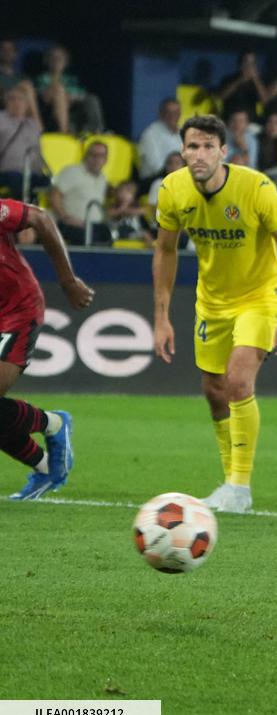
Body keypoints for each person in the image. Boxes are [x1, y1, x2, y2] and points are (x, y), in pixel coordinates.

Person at [152, 115, 277, 514]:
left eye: (207, 146)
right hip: (212, 302)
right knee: (214, 392)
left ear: (224, 151)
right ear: (181, 150)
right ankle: (231, 485)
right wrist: (161, 316)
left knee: (238, 379)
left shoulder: (256, 188)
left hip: (260, 296)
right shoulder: (172, 190)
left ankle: (239, 486)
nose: (198, 154)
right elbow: (165, 251)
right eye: (191, 146)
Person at [1, 197, 93, 500]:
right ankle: (45, 469)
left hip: (15, 310)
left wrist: (67, 281)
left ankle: (53, 423)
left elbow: (40, 218)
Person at [49, 141, 110, 246]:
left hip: (96, 225)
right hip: (73, 224)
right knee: (86, 239)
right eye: (93, 154)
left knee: (108, 236)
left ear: (105, 160)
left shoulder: (102, 179)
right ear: (86, 155)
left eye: (101, 156)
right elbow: (54, 195)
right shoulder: (73, 172)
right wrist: (65, 217)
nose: (97, 159)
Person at [34, 45, 104, 134]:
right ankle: (64, 132)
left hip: (72, 108)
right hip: (51, 111)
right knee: (58, 90)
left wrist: (70, 97)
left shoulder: (71, 79)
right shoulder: (41, 78)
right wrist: (61, 96)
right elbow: (43, 97)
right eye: (53, 58)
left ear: (66, 62)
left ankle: (96, 131)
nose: (57, 61)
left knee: (92, 98)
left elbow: (82, 94)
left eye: (60, 58)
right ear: (47, 61)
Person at [0, 83, 46, 198]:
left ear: (27, 104)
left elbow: (40, 130)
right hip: (8, 172)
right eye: (12, 99)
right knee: (18, 180)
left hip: (32, 172)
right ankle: (22, 214)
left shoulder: (32, 124)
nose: (16, 103)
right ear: (6, 102)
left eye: (20, 99)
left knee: (54, 185)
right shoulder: (1, 119)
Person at [216, 51, 269, 123]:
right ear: (240, 63)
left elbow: (265, 101)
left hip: (249, 123)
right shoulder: (229, 79)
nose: (248, 66)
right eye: (246, 62)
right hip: (230, 121)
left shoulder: (259, 82)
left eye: (252, 63)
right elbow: (220, 97)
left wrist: (256, 80)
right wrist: (240, 80)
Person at [138, 98, 182, 181]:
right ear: (161, 114)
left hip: (177, 178)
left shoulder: (182, 134)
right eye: (168, 113)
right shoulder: (150, 134)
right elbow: (156, 167)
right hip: (153, 180)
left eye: (176, 113)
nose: (172, 116)